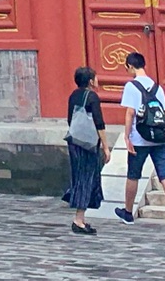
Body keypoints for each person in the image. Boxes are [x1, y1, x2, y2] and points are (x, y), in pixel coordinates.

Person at [114, 51, 165, 232]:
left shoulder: (131, 86)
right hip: (159, 139)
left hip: (140, 138)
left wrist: (127, 136)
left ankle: (128, 213)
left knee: (133, 174)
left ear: (129, 66)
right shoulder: (157, 87)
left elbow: (130, 113)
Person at [63, 65, 111, 235]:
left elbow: (71, 119)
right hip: (87, 144)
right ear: (91, 81)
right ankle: (78, 219)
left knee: (79, 176)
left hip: (74, 141)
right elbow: (99, 123)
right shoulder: (92, 96)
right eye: (95, 78)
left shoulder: (73, 96)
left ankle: (81, 218)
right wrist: (106, 147)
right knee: (86, 177)